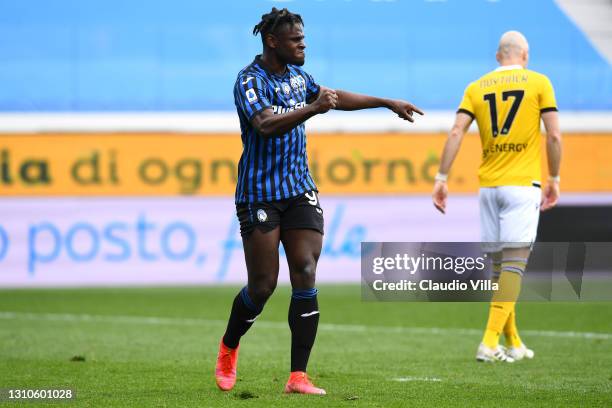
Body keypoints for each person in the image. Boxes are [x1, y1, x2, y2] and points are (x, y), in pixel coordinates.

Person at [216, 7, 423, 394]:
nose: (303, 45)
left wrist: (384, 101)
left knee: (306, 269)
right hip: (259, 193)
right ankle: (229, 346)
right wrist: (312, 109)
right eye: (296, 40)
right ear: (273, 41)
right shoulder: (249, 81)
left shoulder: (299, 77)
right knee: (262, 287)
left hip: (299, 189)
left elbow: (333, 97)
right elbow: (263, 126)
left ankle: (298, 376)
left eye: (304, 39)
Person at [431, 31, 562, 363]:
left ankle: (513, 342)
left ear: (497, 56)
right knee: (514, 267)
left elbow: (457, 131)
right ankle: (489, 343)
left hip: (488, 186)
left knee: (501, 269)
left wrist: (441, 178)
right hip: (521, 184)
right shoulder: (539, 83)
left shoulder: (477, 87)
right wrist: (555, 177)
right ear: (525, 55)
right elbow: (554, 135)